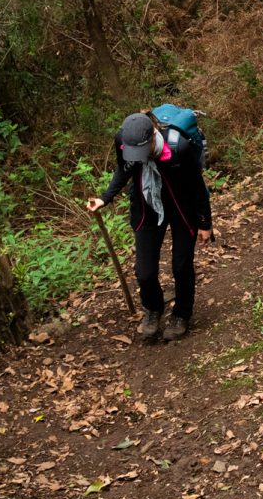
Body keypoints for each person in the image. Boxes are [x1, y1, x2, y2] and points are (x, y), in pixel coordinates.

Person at [87, 111, 213, 342]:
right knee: (144, 272)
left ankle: (181, 314)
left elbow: (197, 186)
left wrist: (205, 223)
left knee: (181, 265)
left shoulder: (179, 147)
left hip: (182, 209)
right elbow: (123, 170)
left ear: (154, 137)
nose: (138, 156)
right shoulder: (123, 142)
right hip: (148, 207)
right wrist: (105, 198)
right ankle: (153, 308)